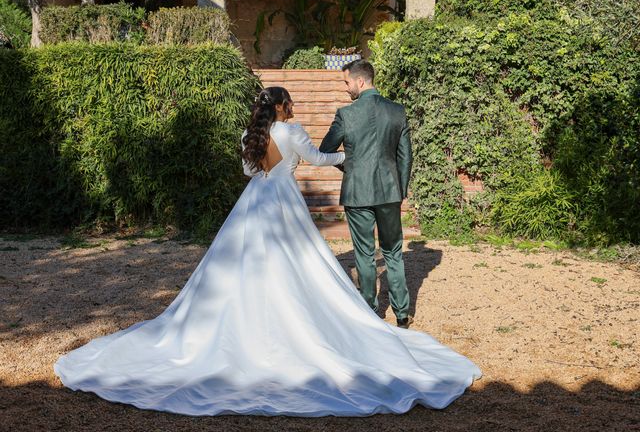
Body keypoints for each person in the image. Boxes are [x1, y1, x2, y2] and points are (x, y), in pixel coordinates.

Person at [54, 86, 480, 416]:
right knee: (301, 268)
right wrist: (349, 158)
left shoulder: (250, 134)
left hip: (253, 204)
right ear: (281, 107)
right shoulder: (292, 132)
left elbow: (247, 171)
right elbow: (317, 159)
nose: (292, 107)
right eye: (289, 103)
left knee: (233, 267)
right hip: (286, 205)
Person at [320, 59, 412, 327]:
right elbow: (406, 156)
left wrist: (351, 167)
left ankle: (371, 311)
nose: (346, 88)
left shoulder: (346, 115)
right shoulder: (397, 111)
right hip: (389, 191)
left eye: (347, 82)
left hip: (357, 191)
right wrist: (400, 188)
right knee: (393, 251)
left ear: (360, 81)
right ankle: (402, 314)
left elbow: (326, 150)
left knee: (364, 253)